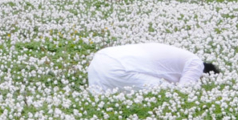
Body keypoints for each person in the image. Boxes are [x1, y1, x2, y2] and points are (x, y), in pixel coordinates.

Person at [87, 43, 220, 94]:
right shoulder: (195, 63)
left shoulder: (180, 57)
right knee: (169, 94)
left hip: (99, 61)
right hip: (119, 69)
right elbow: (183, 93)